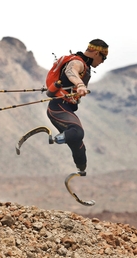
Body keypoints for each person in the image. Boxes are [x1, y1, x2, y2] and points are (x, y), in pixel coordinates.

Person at [47, 39, 109, 173]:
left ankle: (81, 170)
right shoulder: (78, 62)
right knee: (77, 132)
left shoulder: (84, 65)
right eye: (103, 58)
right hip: (58, 107)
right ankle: (53, 139)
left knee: (78, 144)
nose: (103, 61)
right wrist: (80, 84)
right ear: (97, 53)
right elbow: (71, 71)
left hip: (66, 107)